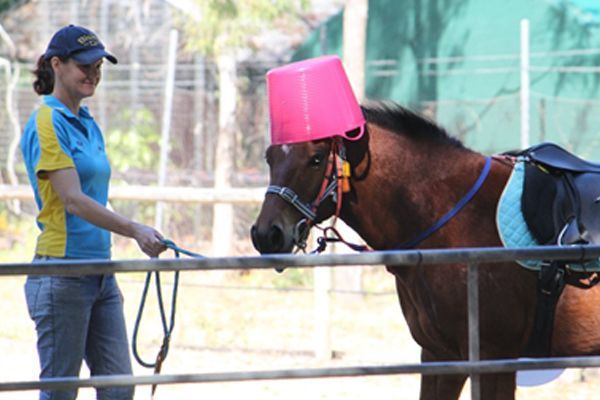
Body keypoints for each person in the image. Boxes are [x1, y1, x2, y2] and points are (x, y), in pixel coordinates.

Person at [20, 24, 166, 400]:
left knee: (118, 389)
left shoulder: (88, 124)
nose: (94, 73)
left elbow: (96, 199)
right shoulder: (46, 122)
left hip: (102, 274)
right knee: (60, 393)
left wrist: (140, 233)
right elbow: (72, 199)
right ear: (57, 65)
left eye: (99, 65)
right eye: (85, 65)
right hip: (62, 274)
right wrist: (134, 229)